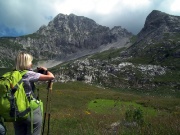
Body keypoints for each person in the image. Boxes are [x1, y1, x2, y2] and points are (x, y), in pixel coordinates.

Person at [13, 52, 55, 135]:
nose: (31, 63)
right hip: (30, 110)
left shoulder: (13, 74)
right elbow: (51, 76)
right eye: (30, 61)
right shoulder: (29, 74)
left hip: (16, 111)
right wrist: (46, 70)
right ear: (26, 63)